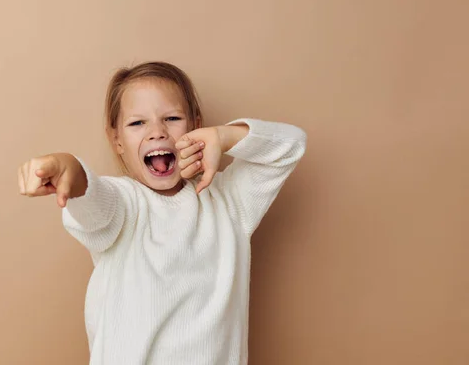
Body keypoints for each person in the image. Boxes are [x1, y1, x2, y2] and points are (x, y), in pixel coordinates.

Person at [17, 61, 307, 364]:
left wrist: (223, 136)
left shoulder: (229, 202)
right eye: (137, 123)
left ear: (196, 127)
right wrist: (67, 166)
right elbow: (91, 197)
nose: (157, 132)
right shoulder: (124, 203)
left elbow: (290, 145)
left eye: (171, 118)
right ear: (116, 140)